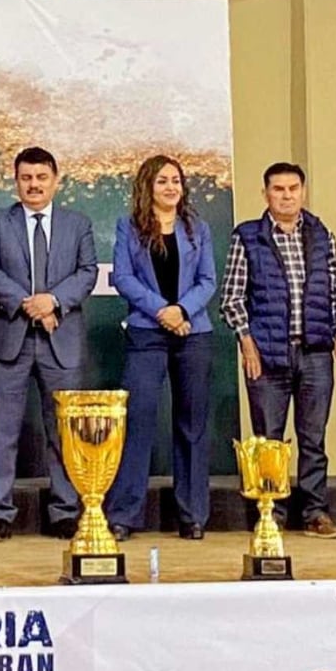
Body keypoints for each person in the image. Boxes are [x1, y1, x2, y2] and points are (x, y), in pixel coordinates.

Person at [221, 162, 336, 539]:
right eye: (278, 189)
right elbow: (232, 298)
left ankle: (315, 512)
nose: (286, 195)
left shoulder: (321, 234)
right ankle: (270, 514)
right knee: (269, 441)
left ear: (303, 191)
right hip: (266, 355)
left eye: (293, 188)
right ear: (265, 194)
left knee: (313, 438)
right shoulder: (247, 236)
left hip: (315, 353)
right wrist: (247, 344)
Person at [0, 146, 98, 542]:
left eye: (41, 177)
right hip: (10, 338)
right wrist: (30, 305)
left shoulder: (77, 224)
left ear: (55, 181)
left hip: (60, 340)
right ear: (16, 181)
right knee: (3, 430)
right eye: (26, 178)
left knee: (62, 431)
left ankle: (64, 511)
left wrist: (53, 301)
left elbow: (87, 273)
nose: (34, 184)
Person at [105, 155, 217, 541]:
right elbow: (122, 277)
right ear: (147, 187)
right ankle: (124, 515)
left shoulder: (196, 228)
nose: (171, 187)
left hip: (193, 332)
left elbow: (207, 280)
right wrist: (162, 311)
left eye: (176, 181)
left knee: (192, 425)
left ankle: (193, 515)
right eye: (162, 181)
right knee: (138, 421)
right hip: (146, 333)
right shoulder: (129, 227)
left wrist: (182, 310)